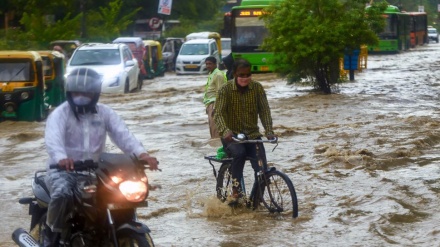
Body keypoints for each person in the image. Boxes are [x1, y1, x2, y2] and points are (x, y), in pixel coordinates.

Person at [43, 67, 159, 246]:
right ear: (69, 92)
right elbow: (53, 139)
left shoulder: (105, 113)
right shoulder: (60, 114)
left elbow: (124, 136)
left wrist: (142, 154)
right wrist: (61, 158)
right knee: (62, 194)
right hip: (63, 171)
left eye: (86, 92)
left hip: (95, 170)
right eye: (77, 91)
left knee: (118, 195)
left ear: (95, 93)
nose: (81, 95)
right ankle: (51, 235)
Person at [214, 58, 276, 202]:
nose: (245, 78)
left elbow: (265, 111)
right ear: (235, 74)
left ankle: (258, 197)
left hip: (252, 135)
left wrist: (269, 131)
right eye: (241, 75)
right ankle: (236, 188)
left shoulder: (257, 88)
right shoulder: (225, 89)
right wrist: (225, 130)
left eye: (248, 75)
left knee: (262, 168)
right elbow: (218, 113)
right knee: (240, 153)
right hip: (232, 136)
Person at [203, 56, 227, 139]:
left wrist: (216, 107)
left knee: (216, 129)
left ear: (215, 64)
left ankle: (217, 146)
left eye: (210, 64)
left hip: (215, 104)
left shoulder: (218, 75)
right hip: (210, 104)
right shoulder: (211, 74)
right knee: (212, 128)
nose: (208, 66)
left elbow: (220, 92)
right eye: (206, 64)